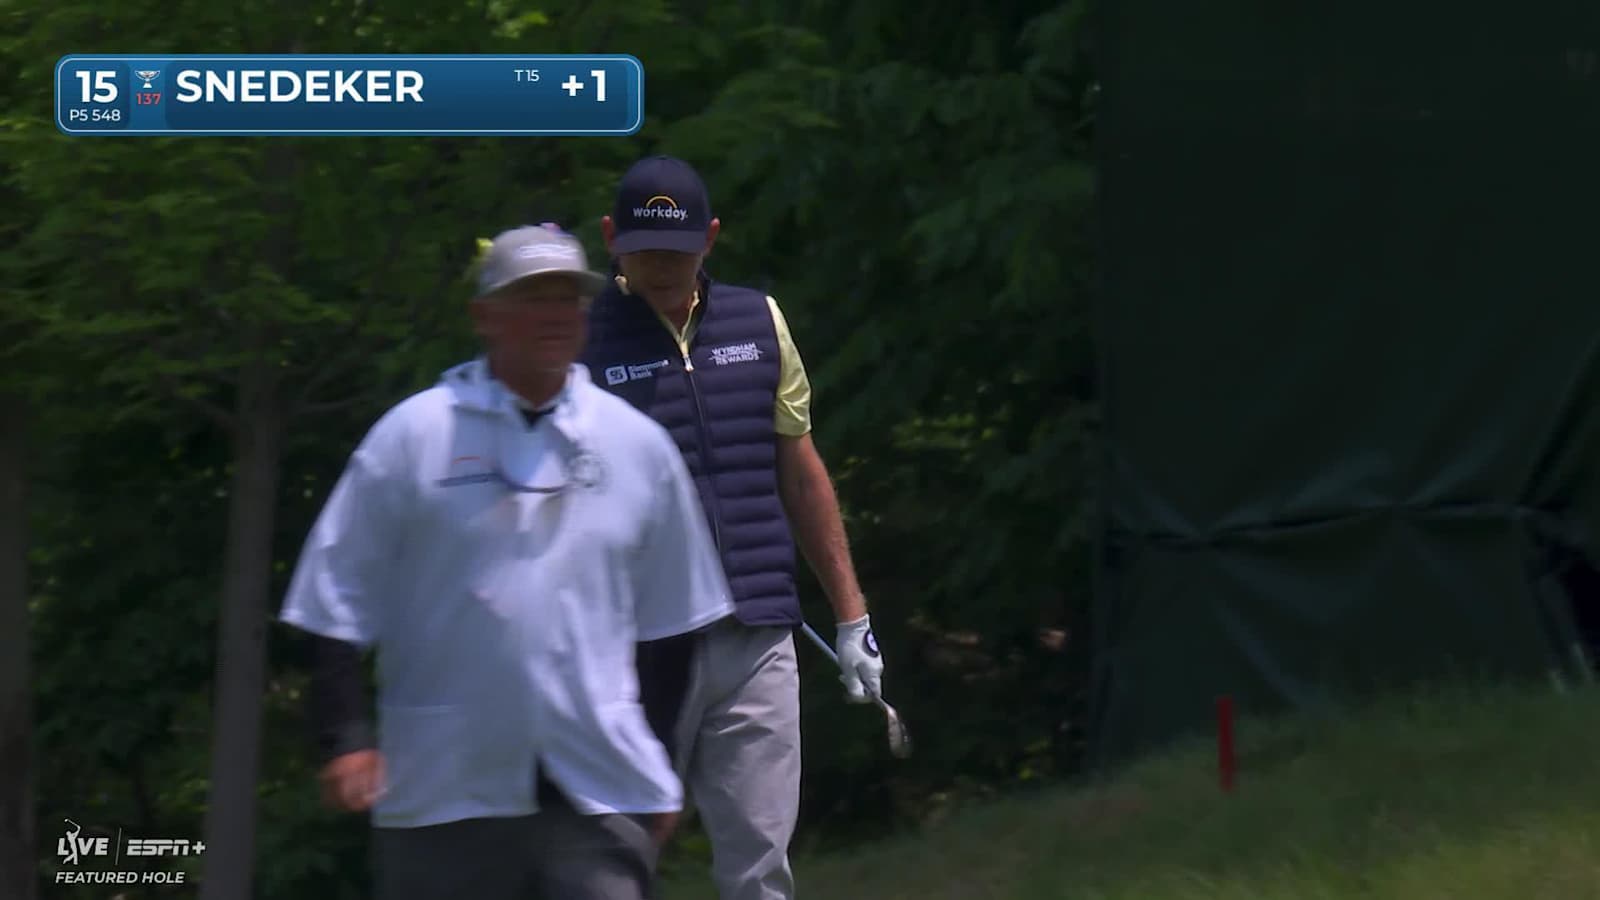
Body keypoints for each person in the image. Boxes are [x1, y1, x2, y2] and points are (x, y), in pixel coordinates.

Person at [278, 223, 736, 900]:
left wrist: (658, 762)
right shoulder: (413, 437)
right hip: (443, 794)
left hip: (598, 791)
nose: (554, 314)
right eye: (532, 297)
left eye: (568, 299)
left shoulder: (636, 446)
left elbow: (672, 627)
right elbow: (334, 597)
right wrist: (346, 737)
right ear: (483, 316)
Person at [578, 156, 889, 900]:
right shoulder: (583, 343)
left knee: (760, 868)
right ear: (610, 239)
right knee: (611, 859)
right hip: (634, 646)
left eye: (678, 253)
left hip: (756, 633)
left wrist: (852, 617)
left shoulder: (760, 320)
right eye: (644, 252)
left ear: (711, 238)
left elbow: (799, 469)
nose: (662, 269)